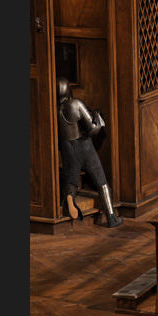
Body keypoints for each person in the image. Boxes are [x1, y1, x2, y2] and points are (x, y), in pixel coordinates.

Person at [56, 77, 124, 228]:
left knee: (71, 180)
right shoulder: (75, 104)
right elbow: (92, 129)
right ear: (68, 90)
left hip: (67, 148)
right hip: (84, 146)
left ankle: (69, 198)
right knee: (102, 182)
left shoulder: (54, 110)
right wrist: (98, 116)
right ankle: (112, 218)